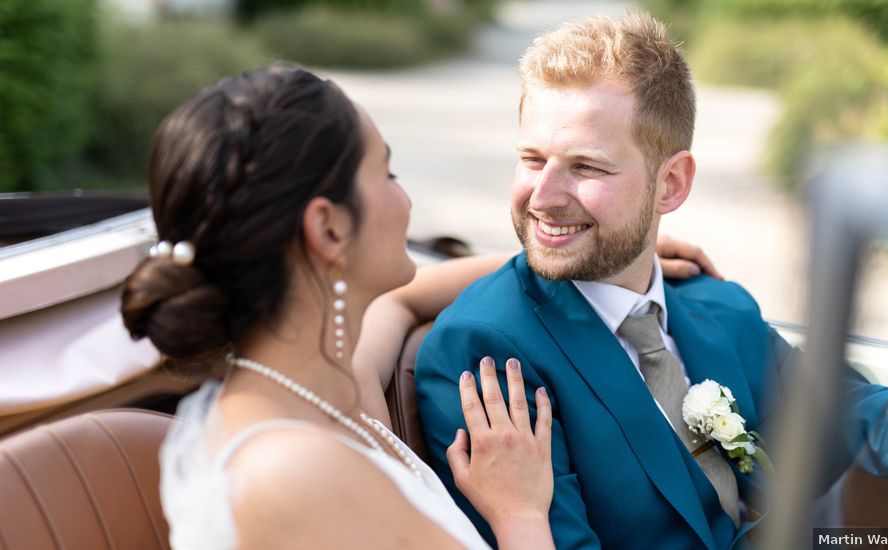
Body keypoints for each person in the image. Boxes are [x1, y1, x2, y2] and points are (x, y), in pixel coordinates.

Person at [120, 64, 716, 550]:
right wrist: (518, 515)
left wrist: (612, 249)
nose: (405, 201)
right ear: (328, 229)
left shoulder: (328, 378)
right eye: (388, 171)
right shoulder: (293, 471)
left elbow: (406, 298)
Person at [414, 12, 888, 550]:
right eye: (532, 159)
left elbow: (854, 421)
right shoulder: (486, 352)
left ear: (671, 184)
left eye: (586, 167)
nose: (543, 197)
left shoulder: (719, 306)